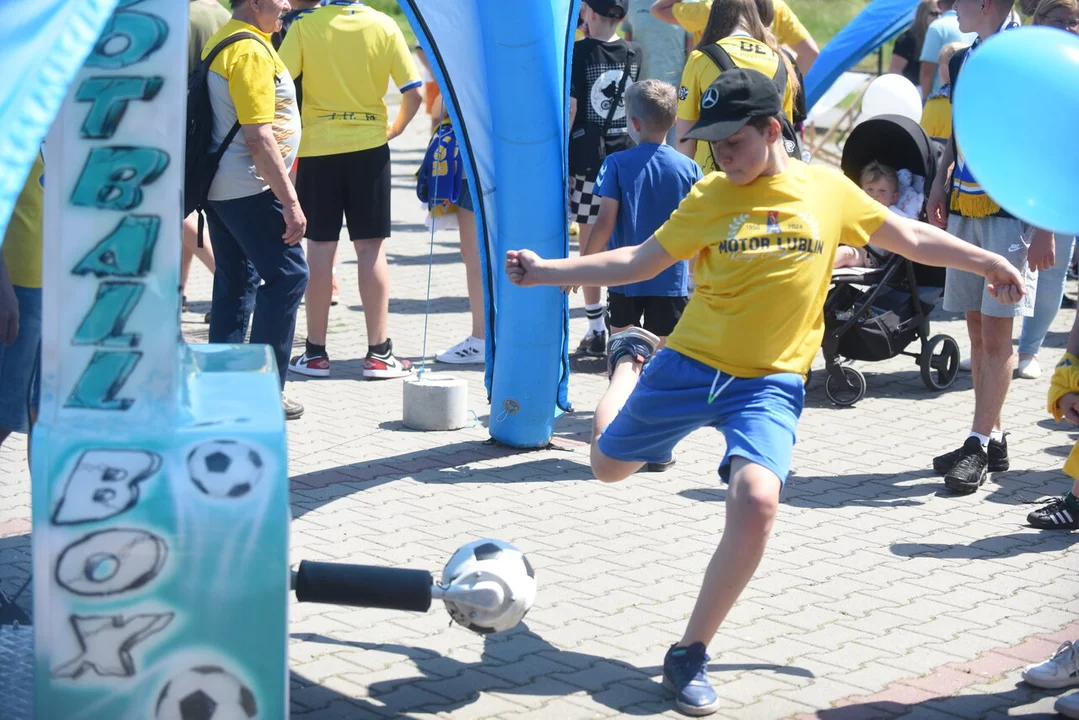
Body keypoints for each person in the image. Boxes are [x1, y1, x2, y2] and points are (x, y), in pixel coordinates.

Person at [505, 68, 1025, 717]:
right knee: (608, 465)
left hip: (769, 382)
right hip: (690, 362)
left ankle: (689, 651)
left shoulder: (825, 192)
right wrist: (548, 272)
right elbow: (637, 261)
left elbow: (911, 236)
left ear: (771, 130)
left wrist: (991, 261)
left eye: (732, 142)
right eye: (713, 143)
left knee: (756, 502)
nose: (721, 155)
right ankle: (629, 362)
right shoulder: (711, 196)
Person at [926, 0, 1047, 493]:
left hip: (1010, 212)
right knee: (977, 328)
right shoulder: (963, 57)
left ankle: (976, 443)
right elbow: (959, 130)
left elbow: (1045, 139)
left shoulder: (1025, 54)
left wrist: (1044, 225)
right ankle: (991, 437)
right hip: (964, 203)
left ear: (989, 3)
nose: (952, 5)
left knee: (998, 336)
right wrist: (939, 179)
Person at [280, 1, 423, 380]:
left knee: (320, 249)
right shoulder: (383, 25)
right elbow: (415, 93)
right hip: (369, 148)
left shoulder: (305, 26)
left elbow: (277, 84)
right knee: (371, 247)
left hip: (317, 148)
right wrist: (394, 129)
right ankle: (379, 353)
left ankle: (314, 353)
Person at [202, 0, 309, 420]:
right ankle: (264, 391)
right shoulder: (247, 50)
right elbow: (259, 137)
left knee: (236, 281)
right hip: (248, 186)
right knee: (288, 277)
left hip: (224, 186)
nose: (287, 4)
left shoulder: (233, 38)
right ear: (252, 1)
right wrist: (291, 202)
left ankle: (220, 386)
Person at [590, 79, 701, 347]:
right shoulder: (690, 169)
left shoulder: (615, 163)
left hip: (623, 278)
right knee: (660, 361)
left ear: (634, 123)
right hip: (670, 281)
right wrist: (695, 278)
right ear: (674, 121)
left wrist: (583, 266)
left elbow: (605, 222)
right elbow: (697, 228)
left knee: (621, 353)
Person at [569, 0, 642, 358]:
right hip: (623, 156)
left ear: (588, 12)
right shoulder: (634, 53)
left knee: (589, 237)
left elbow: (571, 108)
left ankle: (596, 325)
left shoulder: (578, 53)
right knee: (619, 237)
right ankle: (623, 323)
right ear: (622, 17)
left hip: (587, 160)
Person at [1012, 0, 1079, 380]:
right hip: (1018, 178)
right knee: (1007, 260)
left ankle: (1029, 350)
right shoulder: (1025, 62)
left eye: (1076, 21)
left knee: (1050, 271)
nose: (1070, 28)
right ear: (1039, 21)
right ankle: (997, 342)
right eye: (1060, 20)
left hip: (1067, 186)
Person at [674, 0, 799, 174]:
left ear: (715, 18)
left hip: (712, 181)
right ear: (754, 17)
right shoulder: (779, 61)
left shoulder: (700, 58)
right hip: (765, 181)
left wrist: (686, 187)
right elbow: (785, 133)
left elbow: (684, 136)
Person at [184, 0, 230, 323]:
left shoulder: (183, 17)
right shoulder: (228, 16)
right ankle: (179, 291)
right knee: (189, 206)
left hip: (184, 128)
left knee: (176, 210)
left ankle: (221, 273)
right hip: (218, 131)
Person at [0, 152, 44, 454]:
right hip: (16, 288)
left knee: (42, 417)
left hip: (58, 288)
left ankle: (43, 502)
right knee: (4, 416)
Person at [651, 0, 820, 75]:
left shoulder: (710, 9)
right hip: (768, 103)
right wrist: (785, 85)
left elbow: (658, 9)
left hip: (716, 99)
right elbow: (810, 53)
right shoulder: (776, 6)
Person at [834, 162, 923, 269]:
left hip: (868, 254)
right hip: (844, 240)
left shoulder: (891, 214)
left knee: (845, 254)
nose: (875, 195)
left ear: (894, 197)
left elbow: (907, 230)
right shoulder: (858, 207)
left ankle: (819, 269)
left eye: (882, 191)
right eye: (870, 189)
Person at [919, 0, 977, 99]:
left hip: (942, 100)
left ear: (939, 5)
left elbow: (927, 71)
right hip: (969, 97)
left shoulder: (937, 27)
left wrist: (925, 100)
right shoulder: (976, 24)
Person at [890, 0, 942, 87]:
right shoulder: (907, 39)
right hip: (911, 89)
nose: (938, 18)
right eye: (934, 14)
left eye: (941, 14)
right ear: (922, 14)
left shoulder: (937, 37)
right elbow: (895, 70)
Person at [920, 41, 964, 141]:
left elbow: (923, 140)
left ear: (949, 67)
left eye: (941, 64)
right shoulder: (979, 102)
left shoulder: (935, 104)